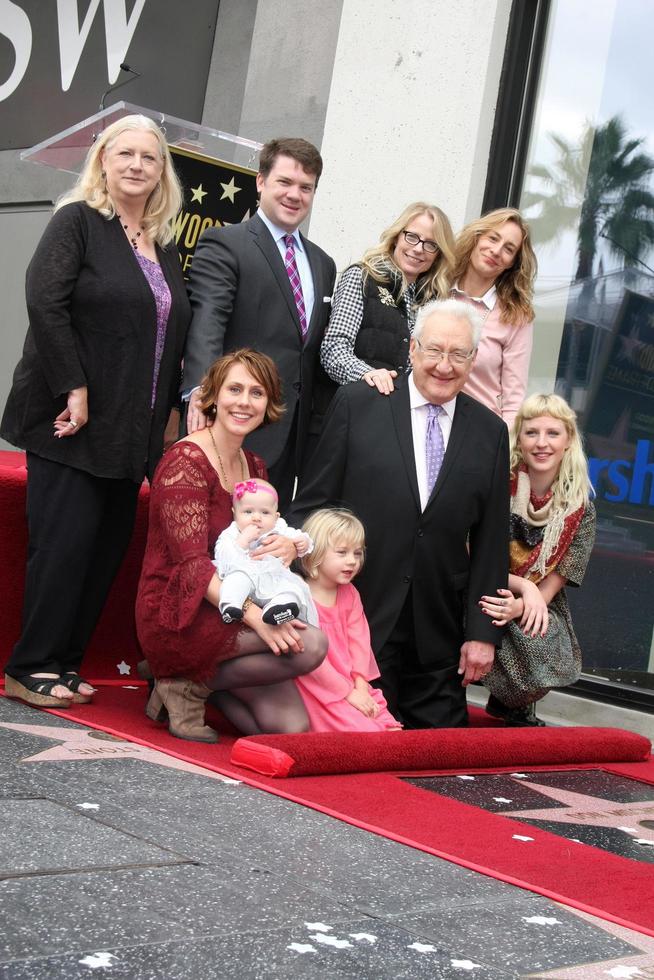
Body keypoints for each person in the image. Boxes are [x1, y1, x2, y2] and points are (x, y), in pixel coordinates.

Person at [2, 114, 191, 710]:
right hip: (72, 421)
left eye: (150, 157)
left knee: (102, 552)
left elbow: (169, 338)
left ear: (163, 172)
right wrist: (74, 389)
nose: (137, 165)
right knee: (63, 546)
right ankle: (29, 666)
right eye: (125, 154)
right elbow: (45, 303)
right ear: (102, 161)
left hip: (131, 432)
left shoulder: (164, 244)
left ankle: (63, 661)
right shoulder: (76, 222)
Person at [289, 298, 510, 729]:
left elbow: (491, 543)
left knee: (438, 762)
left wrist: (482, 635)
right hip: (358, 629)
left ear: (473, 360)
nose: (444, 365)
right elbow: (312, 507)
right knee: (364, 753)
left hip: (439, 638)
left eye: (458, 354)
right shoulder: (359, 404)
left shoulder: (491, 432)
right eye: (434, 350)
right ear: (411, 349)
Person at [135, 349, 327, 743]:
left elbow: (261, 539)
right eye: (234, 389)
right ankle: (180, 681)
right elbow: (190, 566)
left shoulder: (255, 466)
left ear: (268, 403)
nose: (244, 401)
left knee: (289, 730)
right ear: (213, 396)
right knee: (311, 645)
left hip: (235, 605)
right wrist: (257, 618)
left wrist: (288, 547)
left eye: (256, 393)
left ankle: (193, 680)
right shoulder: (184, 461)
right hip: (180, 608)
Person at [182, 137, 337, 510]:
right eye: (284, 182)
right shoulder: (226, 243)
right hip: (231, 423)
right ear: (261, 181)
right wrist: (202, 393)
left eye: (306, 187)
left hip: (290, 435)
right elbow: (208, 322)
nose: (294, 195)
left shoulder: (323, 263)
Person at [479, 394, 596, 726]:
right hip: (482, 581)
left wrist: (527, 602)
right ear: (520, 438)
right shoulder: (498, 483)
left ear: (568, 440)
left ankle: (511, 701)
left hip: (540, 596)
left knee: (542, 641)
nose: (541, 443)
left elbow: (560, 575)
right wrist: (520, 589)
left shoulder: (581, 507)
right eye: (532, 433)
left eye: (552, 433)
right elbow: (471, 551)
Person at [320, 201, 455, 396]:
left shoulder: (435, 303)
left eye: (431, 244)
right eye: (412, 237)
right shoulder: (362, 277)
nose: (418, 249)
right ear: (396, 237)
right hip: (356, 406)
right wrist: (370, 375)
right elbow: (334, 348)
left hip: (401, 415)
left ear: (438, 255)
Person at [294, 509, 401, 732]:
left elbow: (359, 644)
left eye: (358, 553)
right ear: (316, 553)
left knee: (389, 727)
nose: (352, 561)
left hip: (351, 682)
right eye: (342, 553)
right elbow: (308, 661)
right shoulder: (298, 594)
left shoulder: (350, 593)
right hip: (318, 687)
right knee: (368, 733)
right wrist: (348, 692)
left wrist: (361, 685)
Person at [451, 207, 537, 427]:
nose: (496, 251)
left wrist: (502, 449)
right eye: (493, 238)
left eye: (509, 249)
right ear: (477, 237)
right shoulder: (435, 289)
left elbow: (513, 399)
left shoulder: (515, 316)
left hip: (477, 431)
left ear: (512, 263)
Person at [213, 477, 317, 627]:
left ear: (276, 517)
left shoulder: (279, 528)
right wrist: (242, 542)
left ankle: (277, 609)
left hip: (274, 579)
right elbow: (223, 556)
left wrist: (303, 543)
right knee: (235, 580)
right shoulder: (233, 533)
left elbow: (298, 537)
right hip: (246, 577)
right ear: (235, 513)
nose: (256, 517)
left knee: (293, 588)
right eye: (248, 511)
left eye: (265, 512)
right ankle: (231, 606)